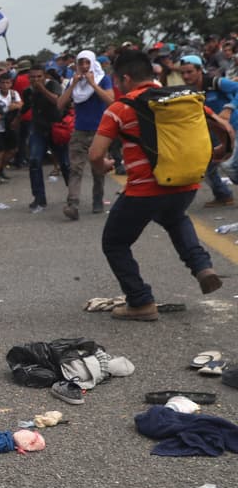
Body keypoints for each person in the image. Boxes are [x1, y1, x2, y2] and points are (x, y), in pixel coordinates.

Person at [89, 51, 224, 321]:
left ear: (126, 78)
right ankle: (202, 266)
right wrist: (220, 153)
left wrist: (103, 166)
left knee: (115, 243)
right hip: (186, 183)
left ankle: (141, 302)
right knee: (175, 217)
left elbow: (95, 154)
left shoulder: (120, 108)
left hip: (144, 190)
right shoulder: (183, 97)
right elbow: (226, 131)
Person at [57, 50, 115, 219]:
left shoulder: (103, 79)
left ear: (92, 63)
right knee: (75, 168)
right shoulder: (74, 81)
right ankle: (72, 204)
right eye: (80, 63)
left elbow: (111, 101)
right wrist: (73, 85)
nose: (84, 66)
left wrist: (93, 84)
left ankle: (97, 200)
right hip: (79, 131)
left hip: (100, 132)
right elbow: (60, 104)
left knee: (98, 169)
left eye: (87, 62)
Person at [179, 54, 237, 207]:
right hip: (213, 130)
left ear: (200, 71)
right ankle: (223, 195)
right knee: (206, 163)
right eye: (183, 73)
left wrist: (229, 108)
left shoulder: (215, 82)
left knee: (230, 166)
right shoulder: (188, 92)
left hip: (234, 127)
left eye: (190, 72)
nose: (186, 76)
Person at [25, 64, 67, 213]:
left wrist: (42, 89)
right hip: (38, 129)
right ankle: (39, 198)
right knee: (34, 161)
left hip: (56, 128)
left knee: (65, 163)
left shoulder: (52, 85)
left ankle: (73, 194)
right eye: (32, 77)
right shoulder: (28, 91)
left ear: (45, 76)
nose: (36, 80)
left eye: (39, 77)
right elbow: (26, 107)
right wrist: (17, 120)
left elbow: (56, 101)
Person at [0, 74, 22, 180]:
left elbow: (21, 105)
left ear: (11, 84)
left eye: (7, 83)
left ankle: (0, 170)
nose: (5, 85)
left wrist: (15, 106)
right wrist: (11, 106)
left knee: (13, 150)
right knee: (0, 152)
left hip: (9, 126)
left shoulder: (14, 93)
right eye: (2, 83)